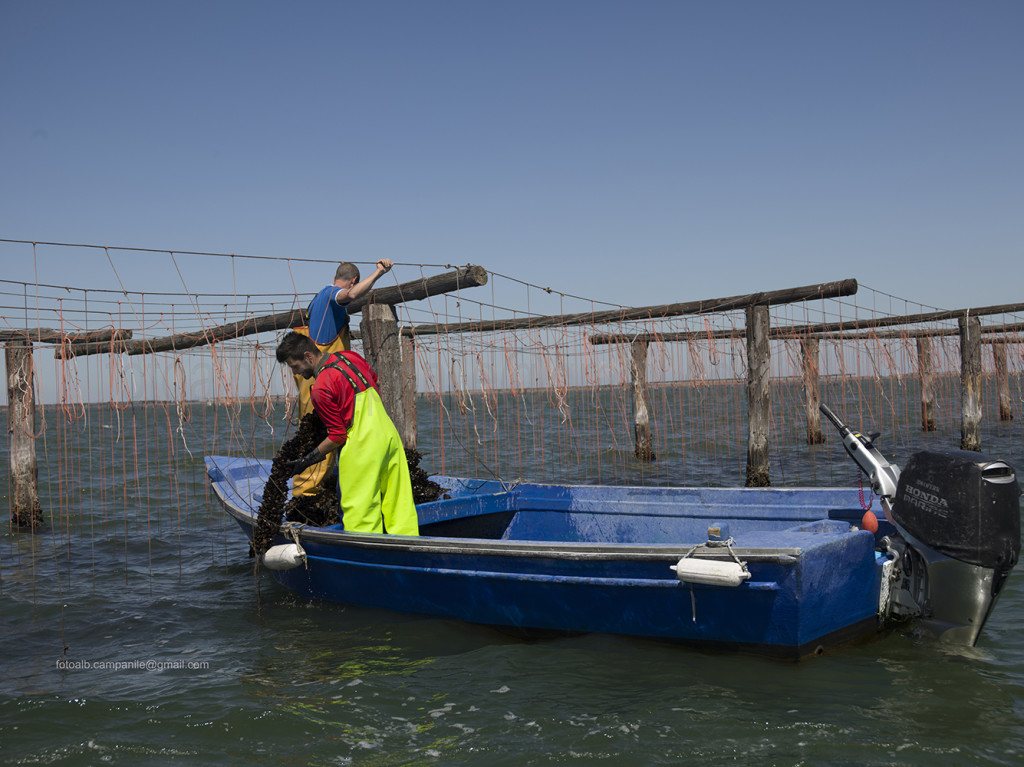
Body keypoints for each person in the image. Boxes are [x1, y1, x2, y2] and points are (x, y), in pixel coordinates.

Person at [275, 331, 419, 536]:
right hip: (388, 436)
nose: (296, 373)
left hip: (361, 446)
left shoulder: (320, 388)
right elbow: (374, 382)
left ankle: (366, 560)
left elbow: (337, 435)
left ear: (308, 356)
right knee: (399, 503)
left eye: (294, 366)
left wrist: (307, 460)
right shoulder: (350, 357)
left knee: (361, 515)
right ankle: (408, 550)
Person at [290, 259, 396, 498]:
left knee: (318, 434)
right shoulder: (331, 294)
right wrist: (379, 272)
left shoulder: (316, 302)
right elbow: (350, 295)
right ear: (353, 280)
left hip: (317, 381)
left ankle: (315, 490)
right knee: (324, 434)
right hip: (321, 382)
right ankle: (305, 497)